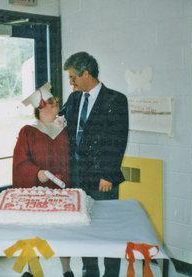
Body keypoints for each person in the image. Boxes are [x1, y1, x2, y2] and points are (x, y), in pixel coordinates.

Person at [60, 52, 129, 277]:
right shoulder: (73, 99)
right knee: (85, 228)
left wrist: (108, 174)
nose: (71, 82)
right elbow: (58, 124)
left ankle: (111, 274)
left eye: (73, 77)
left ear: (86, 73)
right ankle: (89, 271)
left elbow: (118, 140)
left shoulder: (116, 100)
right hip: (77, 176)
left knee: (108, 230)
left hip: (103, 177)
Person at [12, 83, 74, 277]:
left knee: (64, 231)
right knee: (34, 231)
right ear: (40, 109)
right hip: (37, 190)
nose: (56, 103)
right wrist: (37, 173)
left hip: (63, 190)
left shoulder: (65, 129)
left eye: (55, 100)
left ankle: (67, 270)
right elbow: (20, 162)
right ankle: (33, 271)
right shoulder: (28, 131)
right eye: (50, 101)